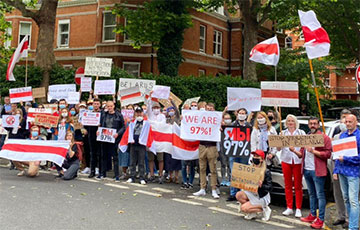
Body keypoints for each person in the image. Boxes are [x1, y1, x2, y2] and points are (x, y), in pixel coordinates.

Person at [300, 117, 332, 229]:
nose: (312, 125)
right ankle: (312, 214)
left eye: (315, 123)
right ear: (308, 125)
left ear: (318, 125)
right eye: (311, 124)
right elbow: (301, 153)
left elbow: (328, 154)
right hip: (307, 169)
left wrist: (314, 151)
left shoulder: (324, 138)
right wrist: (294, 150)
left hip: (318, 170)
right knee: (311, 194)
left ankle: (321, 219)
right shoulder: (306, 137)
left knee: (320, 195)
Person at [333, 113, 360, 230]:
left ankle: (353, 227)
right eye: (346, 122)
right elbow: (337, 155)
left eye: (350, 122)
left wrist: (346, 158)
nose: (348, 124)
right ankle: (350, 222)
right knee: (346, 199)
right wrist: (335, 170)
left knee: (354, 201)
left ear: (356, 122)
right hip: (342, 171)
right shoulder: (342, 136)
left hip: (354, 172)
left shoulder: (359, 136)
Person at [277, 114, 305, 217]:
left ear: (295, 122)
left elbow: (303, 148)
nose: (290, 123)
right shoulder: (282, 133)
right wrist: (279, 142)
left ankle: (298, 208)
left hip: (297, 161)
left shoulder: (301, 132)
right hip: (286, 160)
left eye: (292, 121)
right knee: (287, 185)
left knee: (298, 185)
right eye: (288, 121)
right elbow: (278, 149)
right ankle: (289, 207)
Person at [236, 150, 272, 221]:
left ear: (261, 159)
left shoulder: (266, 171)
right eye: (254, 156)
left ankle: (265, 209)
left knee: (243, 208)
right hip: (251, 193)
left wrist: (261, 186)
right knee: (238, 195)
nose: (255, 158)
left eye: (257, 156)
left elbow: (270, 187)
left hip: (261, 196)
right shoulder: (250, 169)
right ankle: (253, 212)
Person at [193, 102, 220, 199]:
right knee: (202, 168)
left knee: (213, 169)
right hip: (202, 145)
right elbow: (191, 122)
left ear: (214, 109)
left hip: (212, 146)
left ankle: (213, 189)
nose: (209, 110)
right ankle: (202, 188)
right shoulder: (201, 118)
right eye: (207, 108)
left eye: (211, 108)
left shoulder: (217, 119)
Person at [227, 108, 252, 201]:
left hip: (244, 152)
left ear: (246, 115)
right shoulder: (232, 125)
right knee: (234, 172)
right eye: (240, 113)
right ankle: (233, 193)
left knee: (243, 172)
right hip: (233, 151)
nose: (241, 115)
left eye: (243, 113)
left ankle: (243, 192)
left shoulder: (249, 126)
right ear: (237, 114)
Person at [330, 112, 349, 228]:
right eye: (342, 121)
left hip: (350, 170)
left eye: (346, 121)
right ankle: (340, 216)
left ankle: (348, 218)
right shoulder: (336, 137)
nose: (344, 124)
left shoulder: (355, 136)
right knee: (338, 194)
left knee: (349, 196)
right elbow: (332, 153)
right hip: (337, 169)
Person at [97, 101, 125, 181]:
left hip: (114, 139)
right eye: (108, 106)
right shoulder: (103, 115)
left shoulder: (119, 115)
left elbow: (123, 127)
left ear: (114, 106)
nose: (109, 108)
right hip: (104, 139)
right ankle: (102, 173)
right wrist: (98, 131)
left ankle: (116, 175)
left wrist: (118, 133)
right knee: (103, 156)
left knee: (115, 157)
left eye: (111, 106)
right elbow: (100, 125)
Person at [124, 107, 149, 185]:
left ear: (142, 113)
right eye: (137, 112)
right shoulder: (132, 122)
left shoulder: (146, 123)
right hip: (133, 144)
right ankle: (132, 176)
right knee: (132, 162)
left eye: (140, 112)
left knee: (141, 162)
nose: (138, 114)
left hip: (141, 145)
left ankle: (142, 177)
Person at [146, 98, 166, 183]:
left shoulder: (162, 116)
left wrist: (153, 124)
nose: (156, 109)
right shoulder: (150, 115)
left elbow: (162, 125)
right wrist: (150, 97)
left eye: (157, 107)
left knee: (160, 159)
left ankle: (160, 175)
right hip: (151, 140)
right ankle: (152, 174)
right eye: (154, 107)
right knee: (151, 159)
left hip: (160, 140)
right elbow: (148, 105)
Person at [164, 99, 182, 184]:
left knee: (176, 159)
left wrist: (172, 102)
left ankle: (176, 176)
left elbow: (177, 110)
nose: (171, 111)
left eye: (172, 110)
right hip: (169, 142)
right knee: (169, 160)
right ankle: (170, 176)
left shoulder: (177, 118)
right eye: (169, 110)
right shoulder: (167, 120)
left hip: (176, 141)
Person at [86, 98, 102, 178]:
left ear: (100, 105)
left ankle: (100, 170)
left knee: (100, 153)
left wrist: (100, 125)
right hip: (91, 135)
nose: (96, 105)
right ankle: (92, 171)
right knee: (92, 153)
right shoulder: (89, 114)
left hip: (100, 135)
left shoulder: (102, 114)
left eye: (97, 104)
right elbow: (85, 124)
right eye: (94, 104)